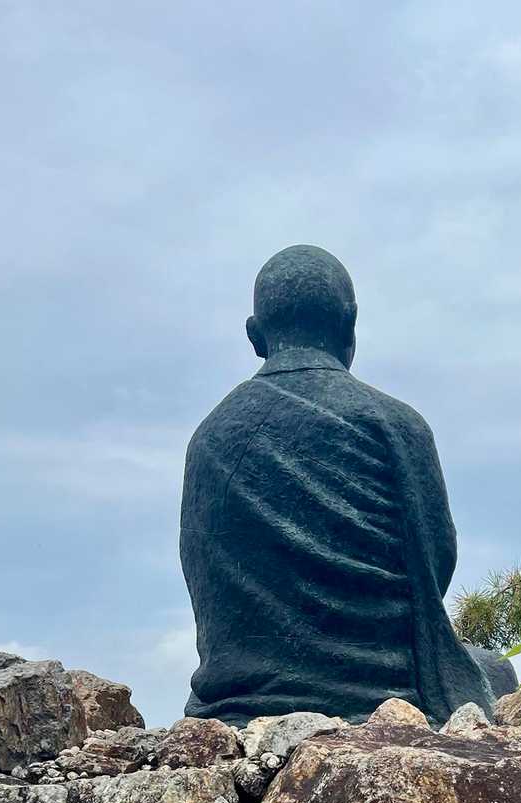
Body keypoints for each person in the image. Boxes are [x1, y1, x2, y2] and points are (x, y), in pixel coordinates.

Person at [180, 244, 494, 726]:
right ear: (350, 323)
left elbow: (202, 574)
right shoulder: (396, 424)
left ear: (254, 335)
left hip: (237, 700)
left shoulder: (209, 438)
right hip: (387, 691)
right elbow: (436, 559)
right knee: (496, 671)